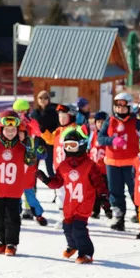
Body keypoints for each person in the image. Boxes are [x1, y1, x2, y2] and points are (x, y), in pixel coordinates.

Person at [37, 127, 109, 264]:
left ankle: (86, 253)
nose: (69, 148)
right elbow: (57, 183)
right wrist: (45, 179)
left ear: (81, 145)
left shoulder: (90, 165)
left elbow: (99, 183)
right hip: (70, 203)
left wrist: (104, 197)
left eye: (73, 145)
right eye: (67, 146)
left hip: (84, 202)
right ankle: (73, 245)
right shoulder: (64, 165)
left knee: (78, 228)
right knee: (67, 226)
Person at [0, 110, 36, 256]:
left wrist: (29, 144)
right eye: (7, 129)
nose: (10, 132)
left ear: (18, 130)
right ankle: (1, 241)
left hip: (14, 190)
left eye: (13, 129)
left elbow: (31, 160)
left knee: (13, 218)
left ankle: (11, 243)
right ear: (2, 129)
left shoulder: (22, 147)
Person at [98, 92, 140, 231]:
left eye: (123, 106)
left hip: (131, 163)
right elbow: (101, 138)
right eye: (117, 106)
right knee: (115, 192)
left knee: (135, 191)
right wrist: (112, 140)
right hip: (113, 163)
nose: (120, 109)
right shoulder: (110, 121)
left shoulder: (136, 122)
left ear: (129, 107)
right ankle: (119, 217)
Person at [13, 99, 48, 226]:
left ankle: (34, 212)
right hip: (16, 162)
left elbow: (38, 132)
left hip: (29, 160)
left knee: (29, 189)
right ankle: (16, 212)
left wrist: (27, 121)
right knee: (16, 191)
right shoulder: (14, 123)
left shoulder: (31, 122)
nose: (20, 113)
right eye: (18, 111)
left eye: (22, 111)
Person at [30, 90, 59, 177]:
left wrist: (49, 133)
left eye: (45, 98)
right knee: (34, 166)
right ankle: (33, 187)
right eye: (40, 98)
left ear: (49, 100)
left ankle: (55, 186)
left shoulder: (53, 112)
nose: (43, 100)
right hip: (38, 141)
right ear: (37, 99)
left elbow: (57, 126)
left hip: (49, 141)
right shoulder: (35, 112)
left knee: (49, 166)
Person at [89, 111, 111, 220]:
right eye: (98, 122)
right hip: (94, 168)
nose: (100, 124)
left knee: (105, 191)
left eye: (103, 122)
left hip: (105, 169)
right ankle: (95, 210)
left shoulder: (108, 135)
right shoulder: (93, 134)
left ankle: (108, 209)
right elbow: (90, 148)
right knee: (94, 191)